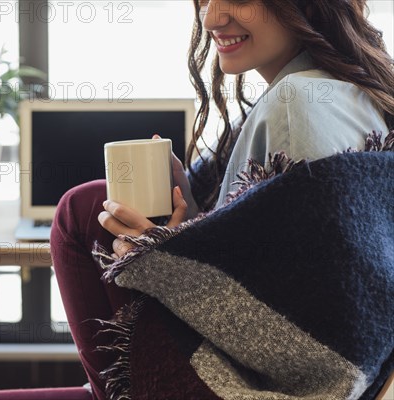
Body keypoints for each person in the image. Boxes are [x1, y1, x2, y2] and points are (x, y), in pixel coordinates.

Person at [50, 1, 394, 399]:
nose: (211, 19)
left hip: (274, 385)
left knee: (84, 209)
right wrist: (192, 218)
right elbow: (287, 266)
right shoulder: (354, 91)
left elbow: (310, 329)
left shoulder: (295, 103)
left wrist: (163, 262)